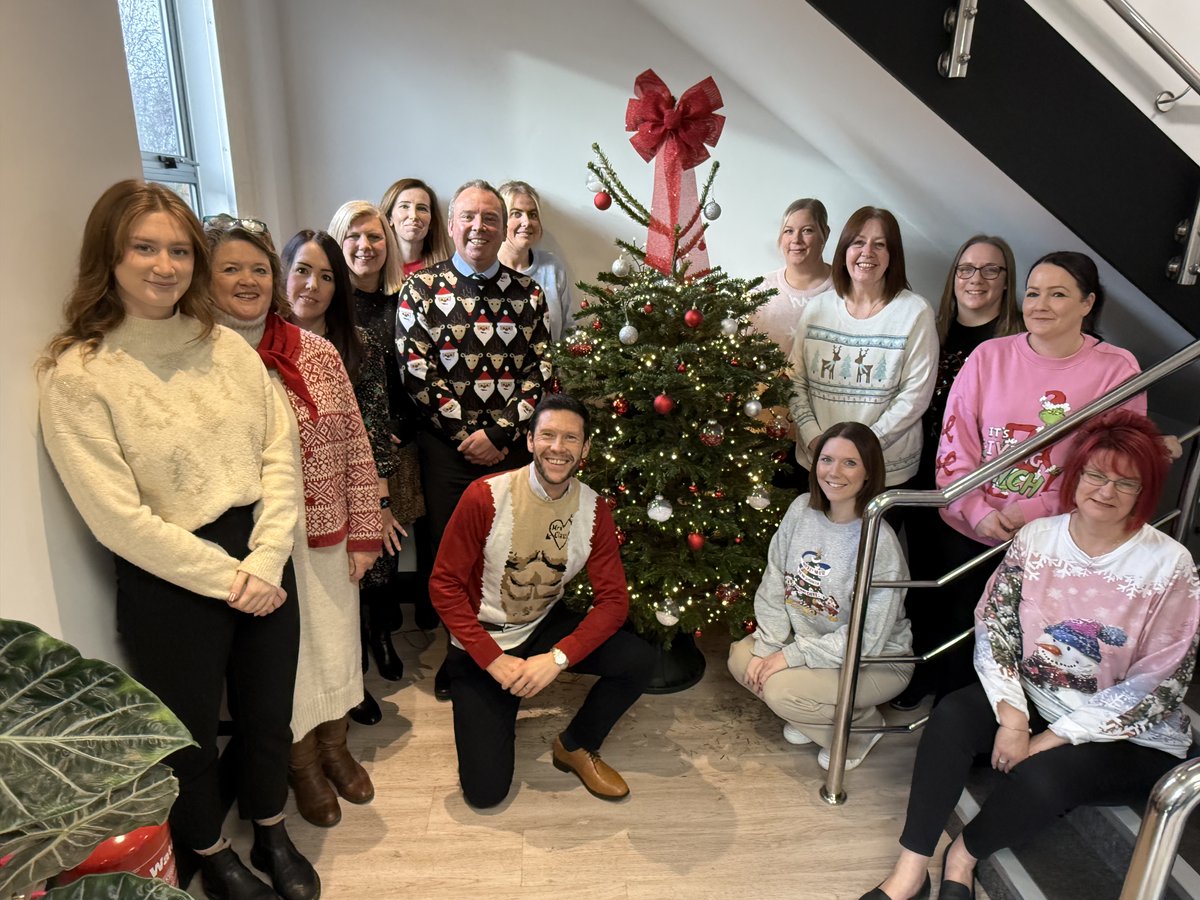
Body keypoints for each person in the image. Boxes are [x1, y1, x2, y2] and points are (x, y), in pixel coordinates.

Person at [38, 183, 316, 900]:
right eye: (145, 247)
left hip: (260, 548)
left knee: (266, 716)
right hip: (168, 574)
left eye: (179, 250)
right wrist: (231, 579)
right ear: (110, 253)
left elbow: (279, 453)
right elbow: (116, 518)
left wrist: (266, 555)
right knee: (188, 732)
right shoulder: (79, 374)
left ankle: (271, 826)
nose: (165, 265)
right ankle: (214, 851)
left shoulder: (224, 345)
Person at [863, 410, 1199, 900]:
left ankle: (964, 855)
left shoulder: (1169, 565)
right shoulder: (1039, 537)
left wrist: (1050, 738)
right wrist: (1013, 715)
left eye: (1125, 483)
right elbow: (995, 623)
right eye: (1096, 475)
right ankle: (911, 870)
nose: (1105, 491)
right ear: (1077, 474)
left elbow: (1160, 682)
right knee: (952, 717)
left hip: (1126, 732)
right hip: (1039, 694)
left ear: (1146, 490)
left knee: (1043, 778)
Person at [208, 218, 382, 831]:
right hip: (259, 545)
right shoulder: (207, 355)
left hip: (329, 533)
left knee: (335, 648)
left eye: (256, 268)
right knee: (291, 662)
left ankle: (335, 747)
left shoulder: (318, 352)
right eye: (232, 268)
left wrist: (364, 532)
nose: (248, 280)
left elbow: (355, 445)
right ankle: (301, 761)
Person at [930, 251, 1146, 699]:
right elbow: (956, 441)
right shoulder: (989, 356)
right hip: (970, 528)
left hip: (1054, 538)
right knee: (955, 635)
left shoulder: (1116, 369)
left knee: (1027, 643)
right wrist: (975, 510)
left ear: (1087, 304)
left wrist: (1035, 510)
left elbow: (1111, 464)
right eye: (1033, 293)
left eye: (1058, 294)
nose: (1040, 303)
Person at [429, 393, 655, 808]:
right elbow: (443, 586)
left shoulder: (594, 509)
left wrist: (556, 659)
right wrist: (493, 660)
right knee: (485, 794)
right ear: (530, 441)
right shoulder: (485, 496)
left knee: (639, 661)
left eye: (571, 438)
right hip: (484, 640)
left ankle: (576, 743)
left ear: (585, 449)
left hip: (541, 625)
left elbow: (613, 603)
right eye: (548, 435)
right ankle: (497, 701)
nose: (558, 447)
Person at [395, 179, 553, 700]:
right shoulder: (419, 289)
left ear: (504, 224)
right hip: (448, 454)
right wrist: (469, 435)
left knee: (507, 551)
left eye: (490, 217)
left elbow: (541, 372)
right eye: (469, 216)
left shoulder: (529, 294)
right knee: (451, 557)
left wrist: (501, 434)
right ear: (452, 222)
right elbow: (415, 372)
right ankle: (459, 656)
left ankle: (505, 648)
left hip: (509, 452)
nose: (479, 227)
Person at [728, 421, 914, 771]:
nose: (834, 472)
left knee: (779, 689)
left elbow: (867, 638)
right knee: (742, 659)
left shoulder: (878, 540)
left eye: (850, 463)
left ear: (869, 471)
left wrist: (792, 656)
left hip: (873, 660)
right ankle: (830, 715)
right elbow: (774, 581)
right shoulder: (801, 509)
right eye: (827, 460)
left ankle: (857, 734)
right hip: (817, 646)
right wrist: (769, 647)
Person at [892, 236, 1023, 710]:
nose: (977, 280)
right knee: (920, 579)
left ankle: (954, 691)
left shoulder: (1015, 344)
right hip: (920, 475)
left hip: (980, 490)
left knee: (964, 588)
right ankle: (919, 673)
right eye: (967, 269)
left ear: (1007, 282)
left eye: (991, 270)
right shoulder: (934, 329)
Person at [328, 201, 421, 712]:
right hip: (342, 454)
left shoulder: (402, 303)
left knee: (384, 552)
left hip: (395, 449)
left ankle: (382, 632)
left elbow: (411, 378)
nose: (365, 247)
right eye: (354, 237)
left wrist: (402, 432)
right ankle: (351, 649)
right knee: (347, 557)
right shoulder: (327, 310)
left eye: (375, 237)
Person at [789, 206, 938, 490]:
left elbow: (915, 396)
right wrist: (813, 438)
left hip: (883, 471)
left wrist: (859, 451)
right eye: (858, 242)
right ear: (844, 250)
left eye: (879, 244)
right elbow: (795, 382)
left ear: (892, 255)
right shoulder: (817, 309)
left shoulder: (915, 312)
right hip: (817, 463)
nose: (867, 252)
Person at [752, 197, 834, 359]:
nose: (796, 240)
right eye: (789, 231)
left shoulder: (844, 287)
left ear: (825, 234)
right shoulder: (761, 289)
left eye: (807, 230)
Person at [497, 180, 577, 341]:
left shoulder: (552, 267)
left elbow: (570, 328)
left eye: (532, 215)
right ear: (500, 219)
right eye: (516, 213)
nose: (526, 222)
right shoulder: (484, 269)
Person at [380, 176, 451, 277]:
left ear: (431, 221)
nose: (413, 216)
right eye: (404, 206)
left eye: (422, 208)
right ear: (389, 217)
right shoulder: (377, 270)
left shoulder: (447, 272)